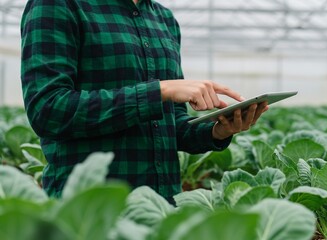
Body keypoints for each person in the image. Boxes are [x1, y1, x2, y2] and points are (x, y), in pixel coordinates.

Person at [20, 0, 267, 203]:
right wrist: (158, 91)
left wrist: (217, 130)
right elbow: (48, 110)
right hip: (90, 212)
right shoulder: (57, 5)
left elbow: (170, 124)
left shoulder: (164, 20)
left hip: (161, 207)